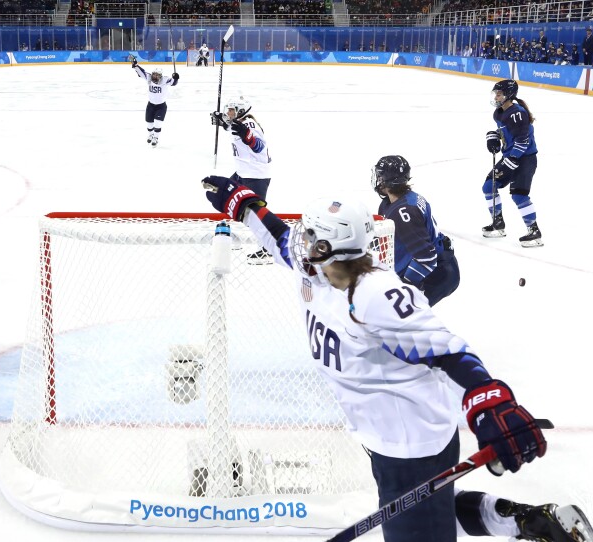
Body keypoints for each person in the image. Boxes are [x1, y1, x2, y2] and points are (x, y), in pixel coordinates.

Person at [199, 176, 592, 542]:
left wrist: (490, 400)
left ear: (328, 247)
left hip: (411, 439)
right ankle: (523, 520)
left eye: (312, 236)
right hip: (385, 435)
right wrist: (246, 205)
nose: (302, 240)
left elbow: (446, 348)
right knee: (423, 508)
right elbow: (280, 238)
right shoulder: (316, 270)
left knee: (415, 523)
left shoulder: (376, 294)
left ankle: (520, 522)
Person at [372, 155, 459, 306]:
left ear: (388, 181)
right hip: (435, 265)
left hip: (436, 274)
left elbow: (426, 257)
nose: (378, 180)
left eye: (380, 176)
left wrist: (406, 288)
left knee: (405, 322)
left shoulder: (404, 212)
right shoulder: (397, 201)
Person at [209, 95, 273, 264]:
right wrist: (221, 121)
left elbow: (259, 146)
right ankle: (233, 237)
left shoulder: (249, 125)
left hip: (255, 175)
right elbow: (231, 128)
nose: (228, 113)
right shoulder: (237, 123)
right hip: (242, 173)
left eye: (232, 110)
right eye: (228, 110)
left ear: (241, 111)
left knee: (255, 214)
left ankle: (267, 250)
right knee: (225, 199)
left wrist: (249, 137)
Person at [482, 79, 542, 247]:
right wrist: (493, 136)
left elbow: (523, 140)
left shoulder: (517, 113)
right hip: (511, 157)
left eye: (499, 94)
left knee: (519, 195)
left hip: (524, 159)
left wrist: (512, 159)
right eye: (495, 93)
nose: (496, 97)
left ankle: (534, 231)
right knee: (489, 186)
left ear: (509, 95)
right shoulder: (500, 112)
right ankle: (498, 222)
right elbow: (507, 132)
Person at [131, 57, 178, 147]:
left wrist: (175, 78)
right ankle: (151, 134)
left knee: (157, 123)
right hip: (150, 105)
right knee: (149, 124)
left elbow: (173, 83)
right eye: (154, 75)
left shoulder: (165, 80)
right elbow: (141, 72)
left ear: (160, 76)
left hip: (161, 106)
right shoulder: (149, 78)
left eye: (157, 75)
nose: (155, 77)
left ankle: (156, 138)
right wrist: (135, 65)